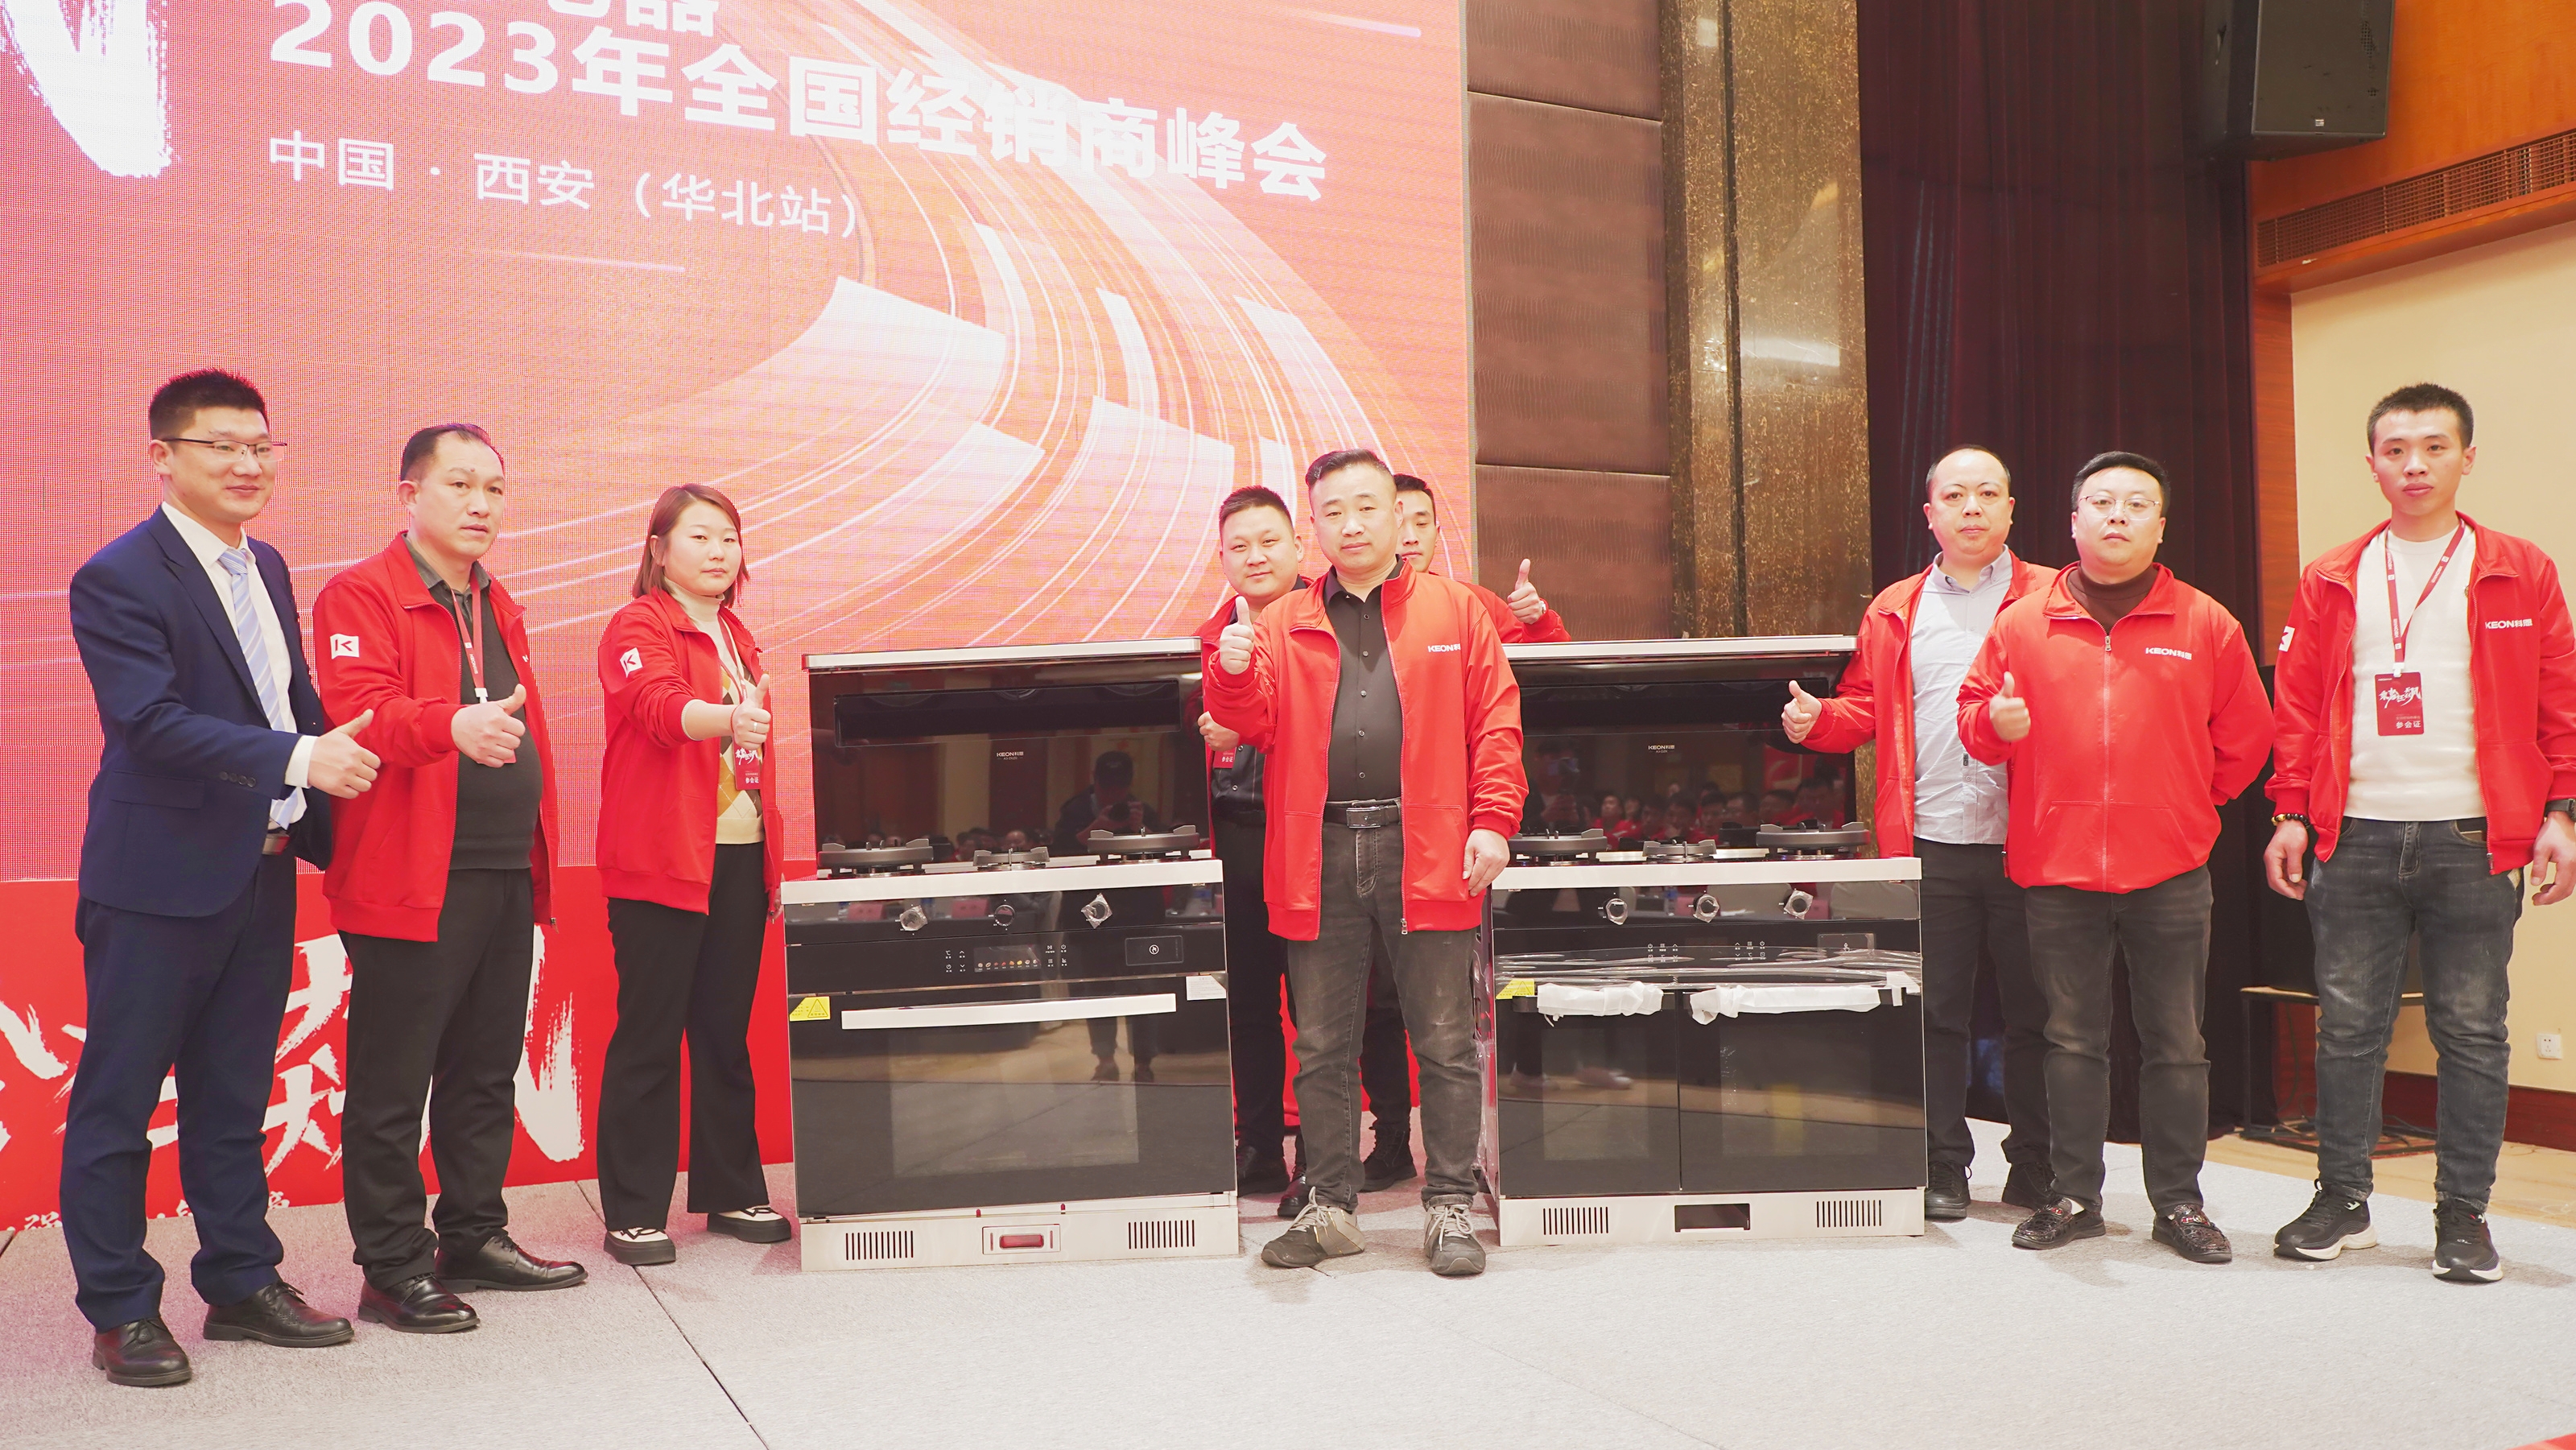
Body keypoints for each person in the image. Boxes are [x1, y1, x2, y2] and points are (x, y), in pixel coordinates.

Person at [63, 370, 380, 1386]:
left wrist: (331, 757)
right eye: (222, 446)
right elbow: (149, 723)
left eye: (261, 446)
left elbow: (282, 696)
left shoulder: (267, 564)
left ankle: (242, 1283)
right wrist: (299, 758)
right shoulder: (119, 575)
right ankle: (121, 1307)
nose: (248, 464)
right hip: (156, 880)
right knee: (119, 1100)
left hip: (260, 869)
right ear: (163, 456)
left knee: (233, 1093)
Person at [2264, 382, 2576, 1283]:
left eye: (2434, 447)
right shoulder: (2332, 574)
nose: (2414, 464)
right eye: (2395, 449)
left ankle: (2462, 1214)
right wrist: (2289, 811)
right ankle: (2342, 1198)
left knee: (2471, 1030)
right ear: (2371, 464)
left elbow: (2559, 702)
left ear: (2466, 458)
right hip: (2353, 833)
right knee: (2347, 1028)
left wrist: (2561, 814)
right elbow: (2297, 707)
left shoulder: (2519, 568)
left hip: (2474, 837)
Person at [1207, 448, 1525, 1277]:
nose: (1350, 525)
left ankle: (1448, 1205)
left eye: (1365, 507)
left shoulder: (1456, 609)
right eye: (1333, 512)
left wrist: (1493, 821)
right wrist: (1230, 673)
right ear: (1313, 527)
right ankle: (1330, 1206)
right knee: (1320, 1041)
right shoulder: (1280, 620)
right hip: (1316, 847)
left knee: (1444, 1037)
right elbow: (1252, 720)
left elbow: (1495, 723)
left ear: (1395, 514)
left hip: (1429, 843)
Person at [1958, 450, 2273, 1265]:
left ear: (2159, 526)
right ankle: (2072, 1196)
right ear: (2073, 521)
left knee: (2176, 1043)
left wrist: (2183, 806)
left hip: (2170, 870)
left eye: (2136, 504)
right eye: (2101, 502)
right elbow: (1974, 720)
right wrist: (1995, 726)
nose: (2117, 515)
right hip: (2056, 869)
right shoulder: (2022, 622)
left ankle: (2179, 1203)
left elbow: (2246, 738)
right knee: (2070, 1041)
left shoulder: (2205, 622)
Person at [313, 423, 584, 1333]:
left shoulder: (497, 600)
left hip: (504, 867)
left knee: (483, 1071)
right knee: (393, 1085)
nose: (481, 504)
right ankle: (392, 1266)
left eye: (495, 490)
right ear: (410, 494)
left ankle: (472, 1234)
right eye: (460, 484)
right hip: (411, 876)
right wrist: (450, 727)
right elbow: (361, 712)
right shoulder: (362, 593)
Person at [1785, 444, 2057, 1222]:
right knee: (1935, 1013)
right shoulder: (1895, 606)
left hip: (2030, 839)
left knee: (2039, 1014)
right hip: (1930, 839)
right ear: (1930, 514)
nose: (1973, 507)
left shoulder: (2053, 595)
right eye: (1956, 495)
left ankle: (2038, 1164)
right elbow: (1864, 707)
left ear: (2011, 510)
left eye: (1988, 494)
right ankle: (1942, 1163)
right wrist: (1817, 720)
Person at [592, 485, 791, 1266]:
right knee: (649, 1034)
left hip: (738, 853)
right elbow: (656, 705)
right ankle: (634, 1209)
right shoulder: (638, 625)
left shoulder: (737, 633)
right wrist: (727, 717)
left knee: (723, 1031)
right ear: (659, 548)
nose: (718, 551)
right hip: (660, 857)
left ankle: (732, 1188)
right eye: (700, 536)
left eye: (729, 538)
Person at [1193, 485, 1309, 1196]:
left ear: (1298, 547)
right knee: (1250, 1003)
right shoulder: (1210, 638)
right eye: (1240, 546)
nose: (1256, 556)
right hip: (1237, 838)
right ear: (1223, 559)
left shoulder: (1331, 622)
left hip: (1314, 833)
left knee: (1320, 1004)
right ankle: (1260, 1145)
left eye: (1269, 541)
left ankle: (1320, 1159)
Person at [1393, 473, 1572, 643]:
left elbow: (1552, 660)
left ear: (1437, 534)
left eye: (1421, 524)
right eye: (1397, 524)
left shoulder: (1475, 602)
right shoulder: (1374, 607)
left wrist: (1538, 621)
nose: (1411, 538)